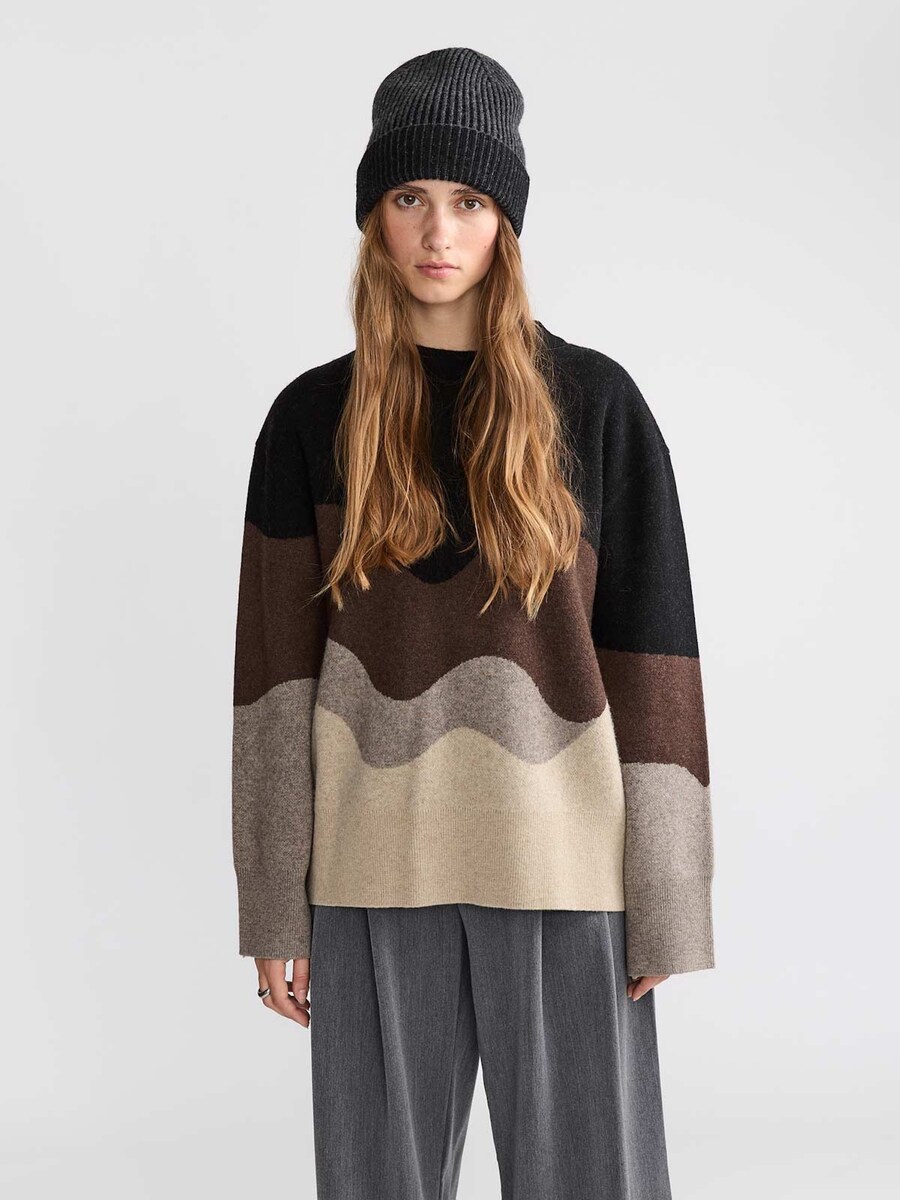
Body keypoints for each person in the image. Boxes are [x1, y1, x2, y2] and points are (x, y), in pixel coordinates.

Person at [232, 45, 715, 1200]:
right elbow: (274, 683)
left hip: (566, 873)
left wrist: (667, 898)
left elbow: (654, 659)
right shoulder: (310, 421)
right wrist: (272, 898)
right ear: (374, 218)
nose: (438, 231)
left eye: (469, 200)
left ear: (507, 222)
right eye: (410, 198)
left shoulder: (595, 406)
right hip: (371, 872)